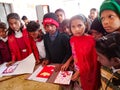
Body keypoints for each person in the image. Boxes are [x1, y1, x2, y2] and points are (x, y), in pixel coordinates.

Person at [69, 14, 101, 90]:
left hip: (88, 72)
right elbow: (75, 54)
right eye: (73, 26)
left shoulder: (91, 40)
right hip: (77, 69)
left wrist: (80, 71)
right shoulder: (72, 39)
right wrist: (74, 63)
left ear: (85, 25)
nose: (76, 29)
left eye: (79, 25)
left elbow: (93, 61)